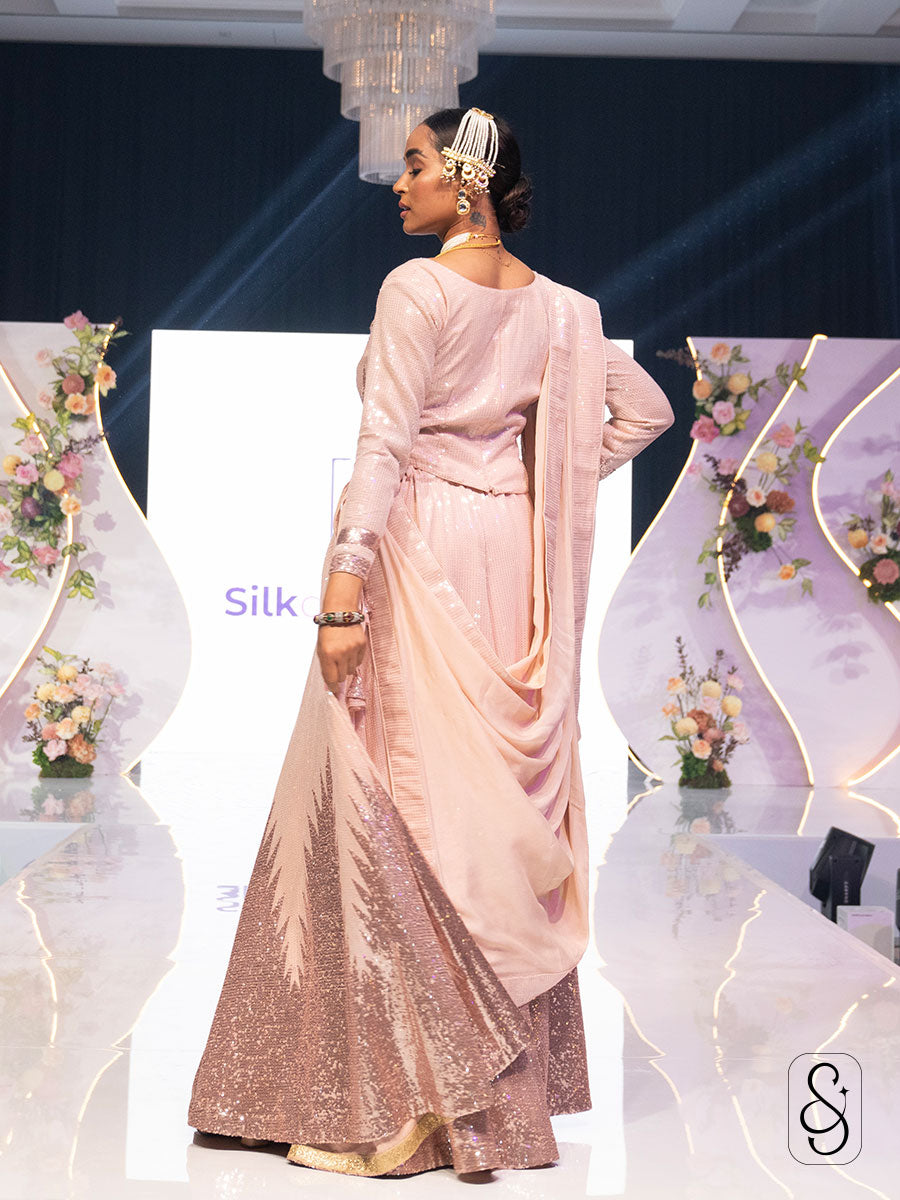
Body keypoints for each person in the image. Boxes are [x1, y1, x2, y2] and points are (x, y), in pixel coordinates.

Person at [188, 105, 673, 1178]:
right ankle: (496, 1101)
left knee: (399, 805)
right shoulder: (567, 312)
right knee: (483, 813)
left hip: (419, 549)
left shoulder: (416, 289)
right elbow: (643, 415)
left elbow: (385, 441)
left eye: (413, 166)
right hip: (507, 551)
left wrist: (347, 583)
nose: (396, 185)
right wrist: (540, 490)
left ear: (468, 179)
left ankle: (404, 1096)